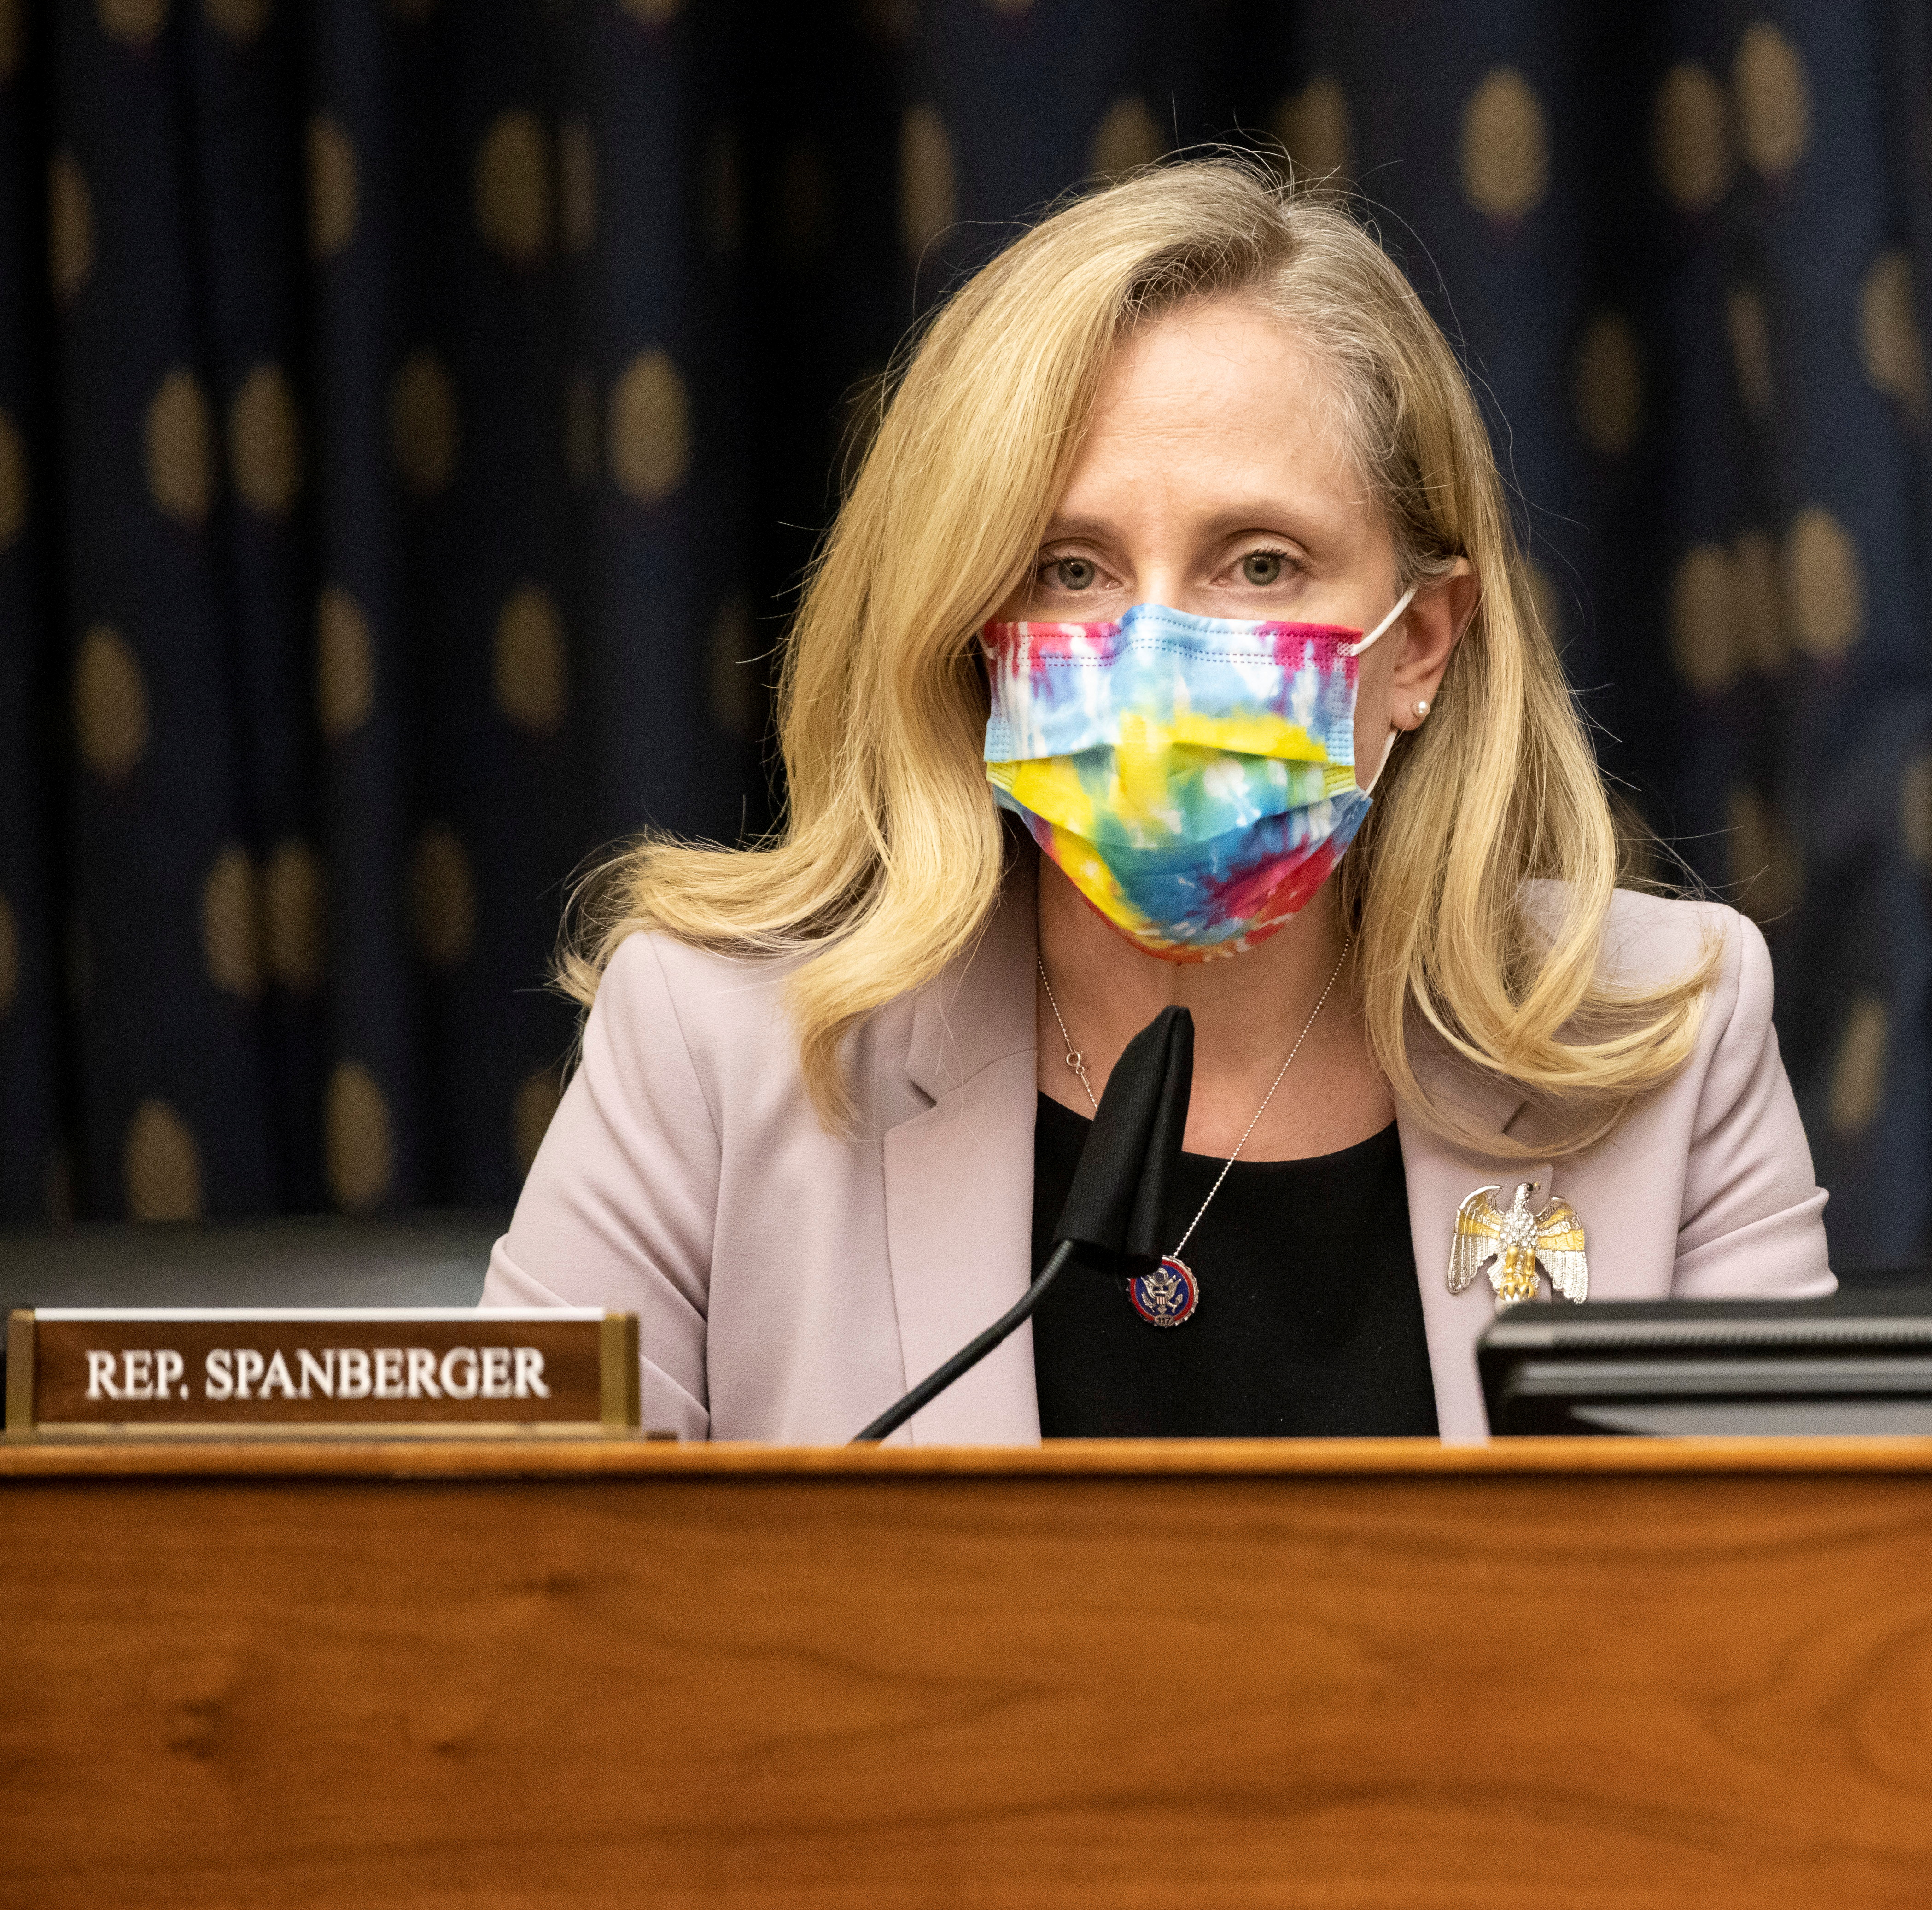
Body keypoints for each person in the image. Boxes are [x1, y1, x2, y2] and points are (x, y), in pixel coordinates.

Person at [484, 159, 1832, 1442]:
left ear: (1420, 642)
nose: (1156, 650)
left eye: (1259, 562)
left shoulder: (1664, 1040)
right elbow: (506, 1601)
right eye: (1071, 568)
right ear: (973, 626)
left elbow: (1797, 1622)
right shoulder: (720, 1054)